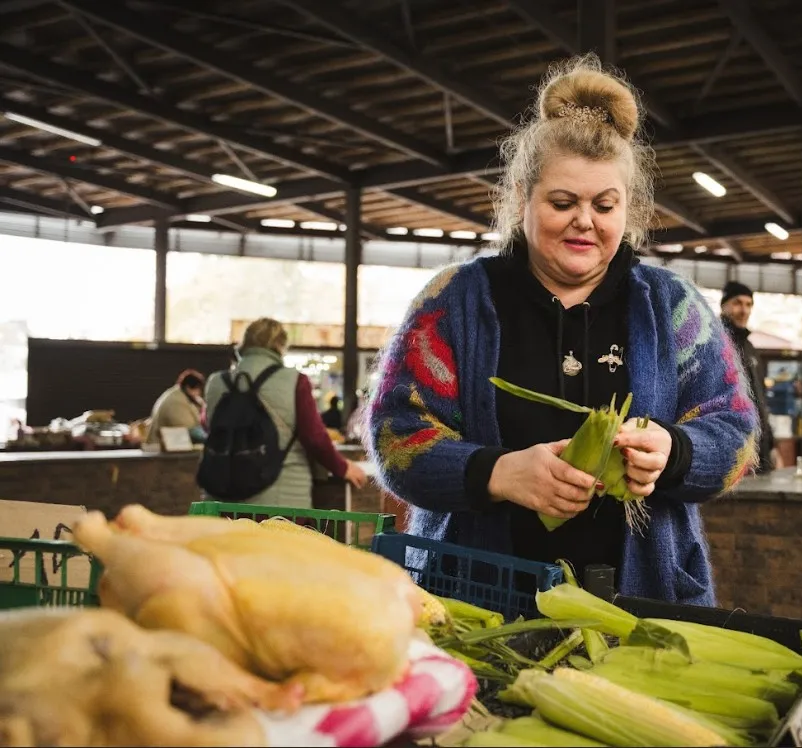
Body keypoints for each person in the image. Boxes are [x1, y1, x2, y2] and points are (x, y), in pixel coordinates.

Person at [366, 54, 759, 605]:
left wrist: (675, 451)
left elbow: (736, 435)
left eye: (605, 204)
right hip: (476, 607)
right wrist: (497, 473)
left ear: (628, 210)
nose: (585, 221)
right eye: (562, 202)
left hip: (643, 608)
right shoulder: (453, 303)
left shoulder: (673, 308)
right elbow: (395, 436)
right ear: (521, 200)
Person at [204, 318, 367, 507]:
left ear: (245, 343)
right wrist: (342, 467)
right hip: (279, 498)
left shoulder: (216, 382)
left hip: (220, 495)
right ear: (280, 346)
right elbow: (314, 437)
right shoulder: (295, 380)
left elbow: (208, 425)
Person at [720, 281, 777, 472]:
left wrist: (772, 445)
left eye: (748, 304)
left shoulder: (750, 349)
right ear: (723, 306)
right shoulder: (715, 344)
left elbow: (760, 401)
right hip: (732, 453)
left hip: (760, 451)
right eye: (737, 303)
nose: (743, 310)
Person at [145, 369, 208, 447]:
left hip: (167, 448)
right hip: (160, 449)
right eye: (198, 389)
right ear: (188, 387)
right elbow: (188, 429)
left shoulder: (177, 395)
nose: (198, 394)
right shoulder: (176, 402)